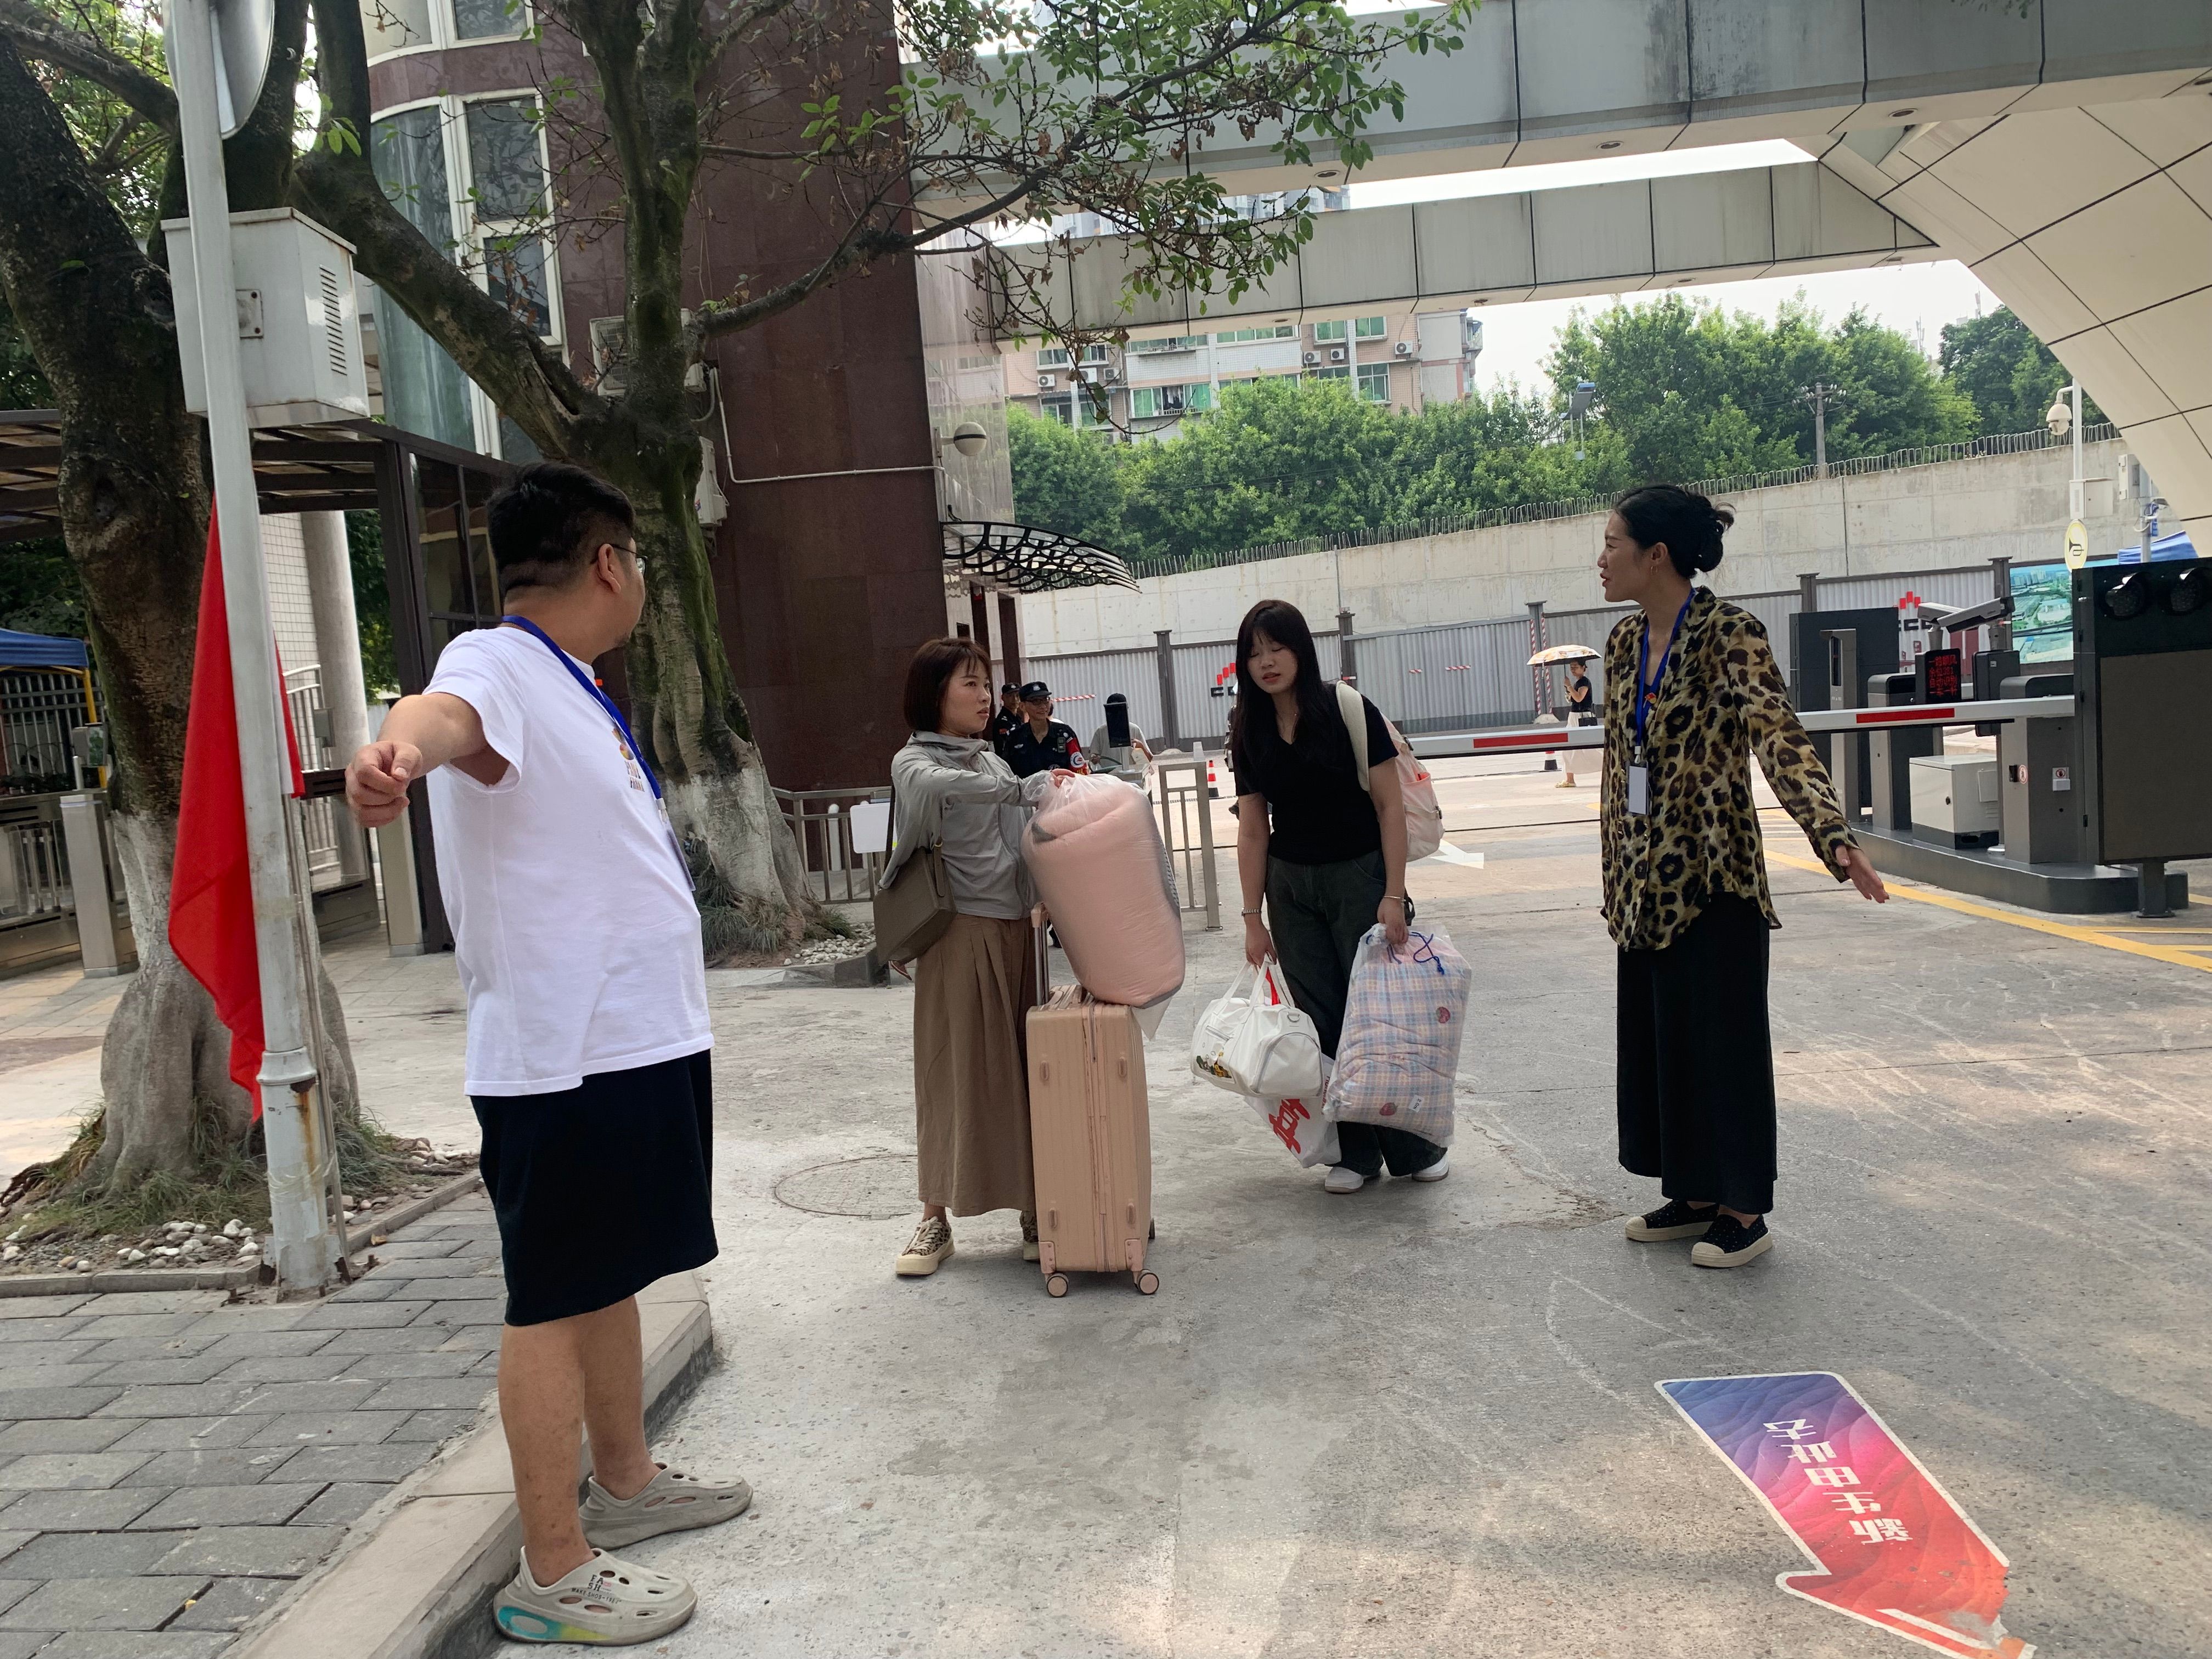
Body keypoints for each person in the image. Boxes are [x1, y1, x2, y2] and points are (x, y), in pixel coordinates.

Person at [343, 462, 747, 1645]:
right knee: (555, 1292)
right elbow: (438, 713)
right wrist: (393, 755)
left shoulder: (570, 681)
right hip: (563, 1055)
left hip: (631, 1039)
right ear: (609, 563)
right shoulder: (501, 662)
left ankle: (624, 1482)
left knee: (610, 1270)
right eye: (641, 559)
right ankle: (552, 1570)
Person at [1598, 484, 1888, 1270]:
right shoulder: (1624, 643)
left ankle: (1743, 1211)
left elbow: (1779, 738)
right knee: (1665, 1045)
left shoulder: (1731, 634)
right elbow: (1619, 766)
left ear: (1656, 555)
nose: (1602, 560)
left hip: (1713, 879)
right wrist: (1615, 871)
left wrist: (1833, 836)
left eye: (1614, 544)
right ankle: (1693, 1192)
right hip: (1642, 885)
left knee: (1724, 1047)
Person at [1231, 599, 1449, 1195]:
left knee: (1378, 1017)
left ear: (1301, 649)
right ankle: (1355, 1154)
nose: (1267, 662)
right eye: (1254, 652)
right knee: (1322, 1019)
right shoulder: (1248, 727)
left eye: (1277, 647)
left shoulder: (1346, 708)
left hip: (1358, 875)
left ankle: (1415, 1148)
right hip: (1290, 888)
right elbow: (1252, 830)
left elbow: (1389, 806)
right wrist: (1252, 918)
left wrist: (1393, 893)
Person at [883, 640, 1069, 1278]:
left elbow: (1022, 839)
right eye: (970, 683)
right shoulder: (915, 761)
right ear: (935, 693)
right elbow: (943, 788)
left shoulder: (991, 759)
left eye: (987, 683)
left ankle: (1034, 1207)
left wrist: (1045, 894)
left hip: (1018, 933)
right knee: (951, 1073)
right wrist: (1024, 788)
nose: (985, 695)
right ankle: (934, 1218)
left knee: (1026, 1072)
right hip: (957, 934)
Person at [998, 680, 1089, 778]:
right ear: (1023, 706)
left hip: (1063, 788)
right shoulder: (1015, 738)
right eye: (1036, 701)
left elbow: (1080, 772)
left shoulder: (1065, 734)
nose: (1043, 706)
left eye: (1046, 700)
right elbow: (1007, 776)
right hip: (1027, 789)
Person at [1559, 659, 1596, 788]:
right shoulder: (1578, 683)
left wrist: (1569, 686)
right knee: (1569, 749)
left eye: (1576, 667)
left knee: (1591, 748)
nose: (1573, 670)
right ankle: (1570, 779)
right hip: (1575, 716)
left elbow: (1579, 698)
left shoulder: (1584, 682)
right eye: (1571, 667)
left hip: (1582, 717)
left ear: (1583, 668)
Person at [989, 681, 1024, 759]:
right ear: (1003, 698)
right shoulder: (1002, 721)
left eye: (1017, 696)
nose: (1015, 699)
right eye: (1010, 696)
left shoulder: (1017, 718)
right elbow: (1003, 749)